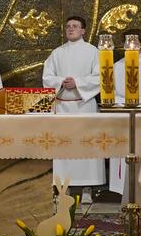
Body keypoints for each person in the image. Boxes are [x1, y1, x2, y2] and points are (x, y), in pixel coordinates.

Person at [42, 15, 104, 196]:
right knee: (63, 146)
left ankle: (88, 187)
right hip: (62, 107)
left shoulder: (93, 52)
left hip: (84, 106)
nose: (70, 29)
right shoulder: (57, 52)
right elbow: (47, 77)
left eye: (75, 26)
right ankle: (63, 186)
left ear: (83, 30)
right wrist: (61, 82)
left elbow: (100, 76)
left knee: (86, 145)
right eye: (68, 26)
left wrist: (78, 83)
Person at [107, 29, 141, 194]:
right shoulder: (116, 66)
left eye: (134, 41)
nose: (130, 44)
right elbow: (110, 91)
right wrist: (122, 103)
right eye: (127, 41)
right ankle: (120, 188)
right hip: (121, 113)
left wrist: (138, 102)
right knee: (120, 150)